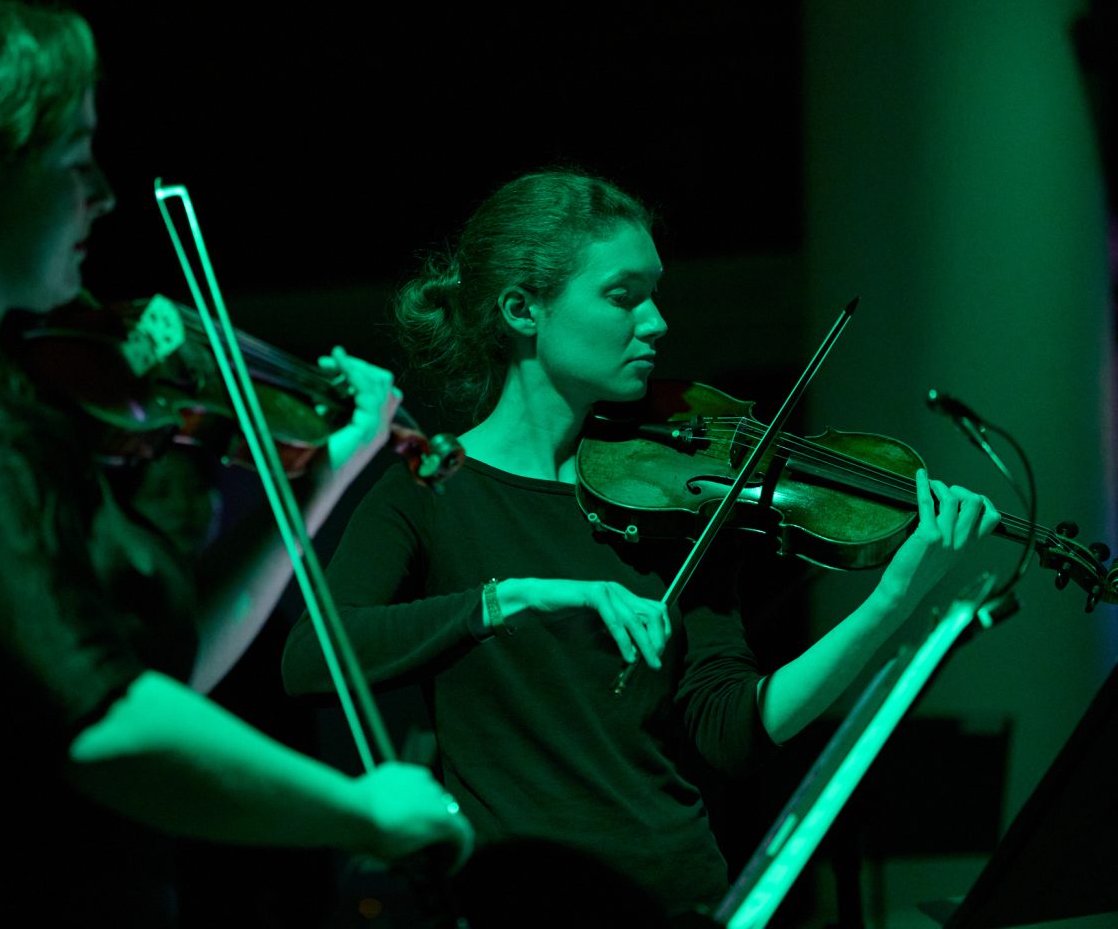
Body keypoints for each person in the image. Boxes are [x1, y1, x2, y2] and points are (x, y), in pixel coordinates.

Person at [0, 0, 470, 928]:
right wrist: (358, 808)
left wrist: (328, 469)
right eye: (74, 158)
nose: (100, 194)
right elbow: (106, 724)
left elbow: (146, 673)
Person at [281, 169, 1000, 925]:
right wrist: (506, 599)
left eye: (655, 294)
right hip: (523, 905)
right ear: (523, 309)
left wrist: (895, 597)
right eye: (623, 296)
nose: (655, 322)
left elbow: (730, 728)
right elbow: (310, 656)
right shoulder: (427, 488)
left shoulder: (676, 500)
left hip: (685, 901)